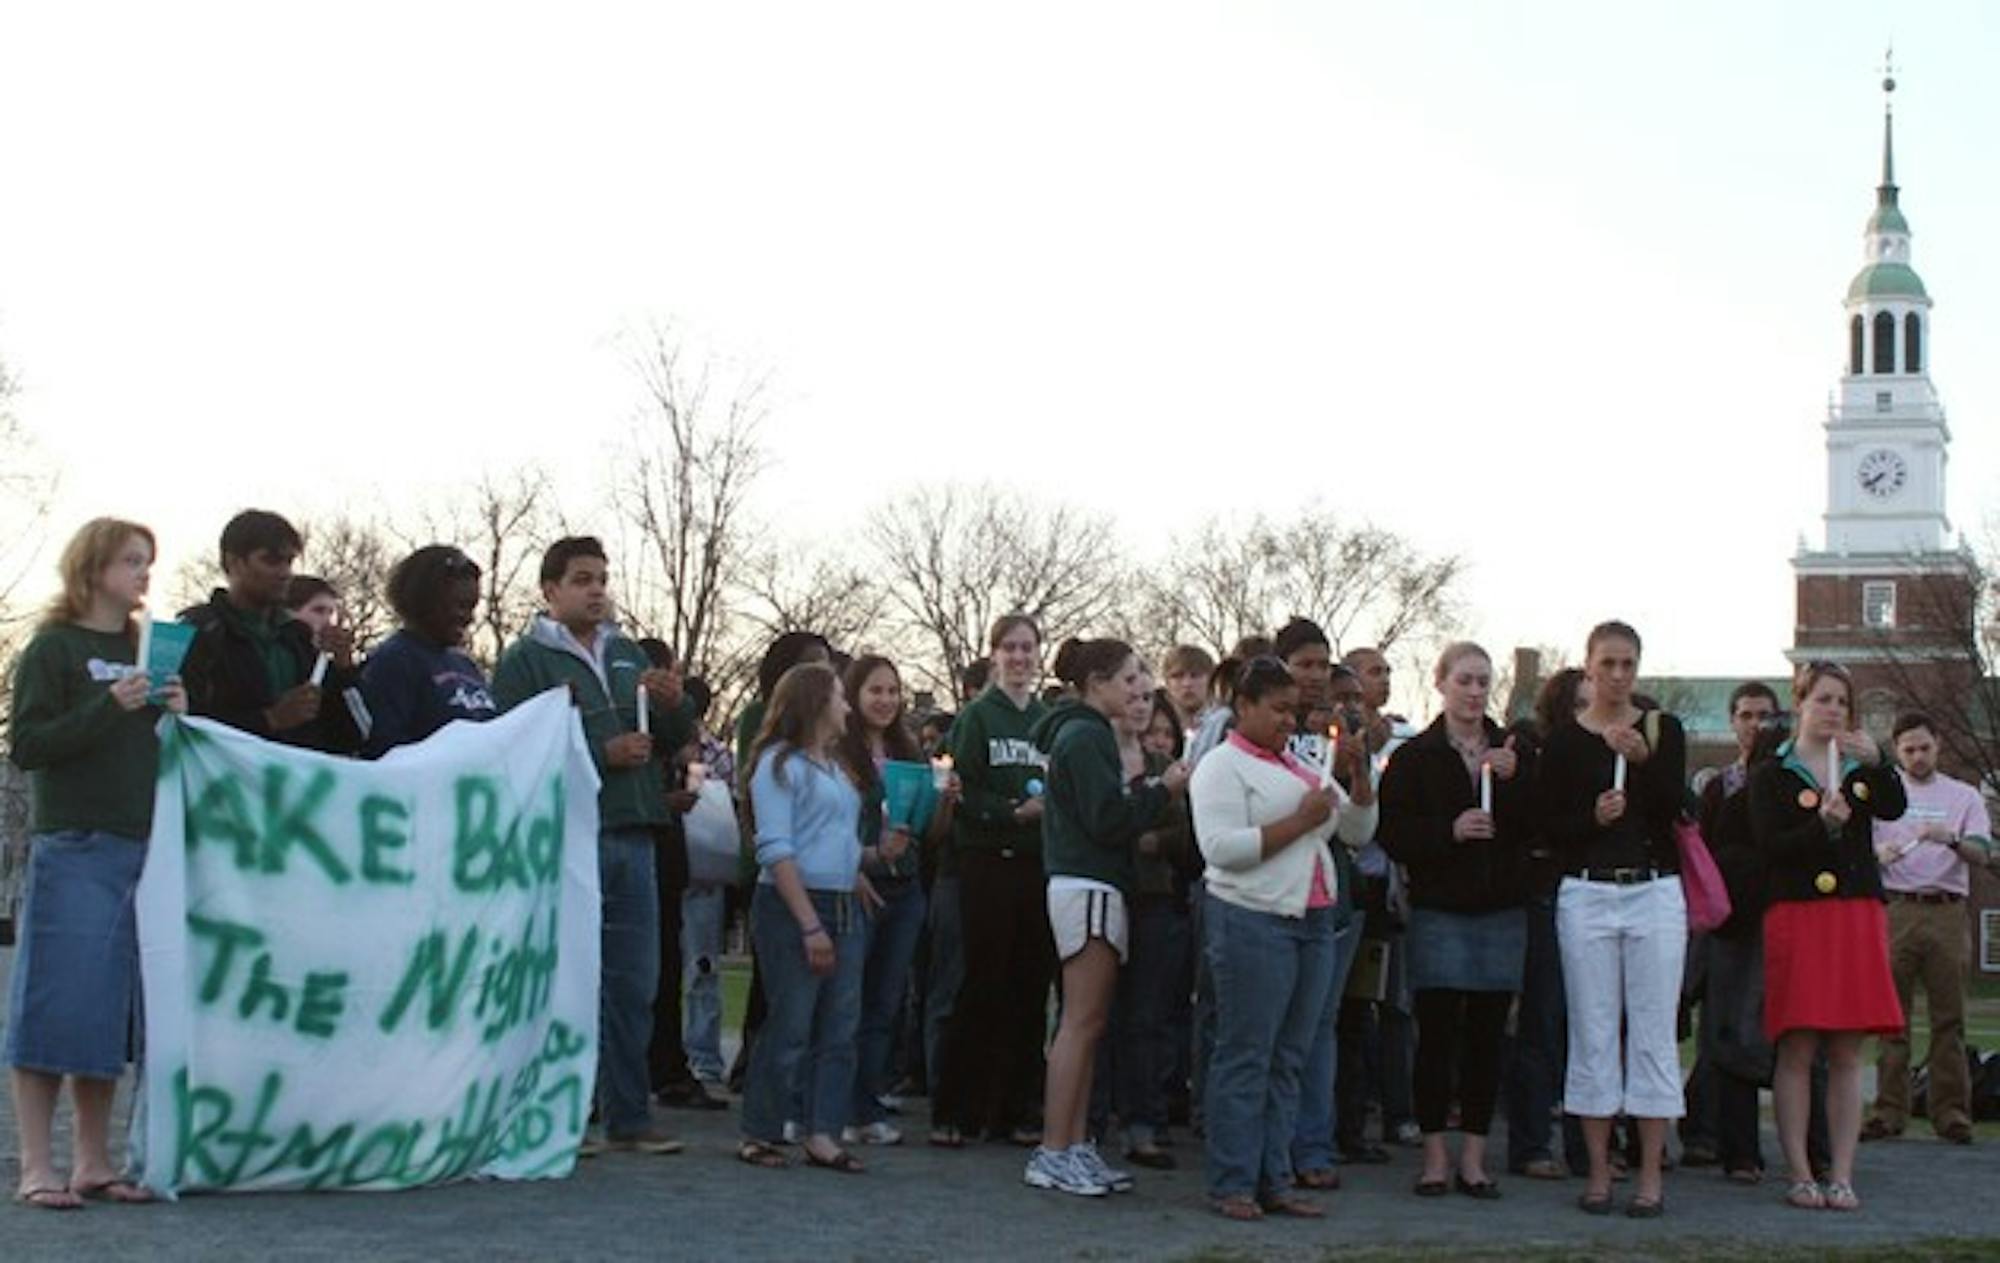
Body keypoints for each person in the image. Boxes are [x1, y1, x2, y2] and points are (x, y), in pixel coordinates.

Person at [492, 536, 693, 1157]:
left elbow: (677, 736)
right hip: (568, 833)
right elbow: (513, 745)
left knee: (635, 982)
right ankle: (561, 1114)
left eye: (603, 578)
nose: (597, 589)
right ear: (550, 590)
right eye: (582, 579)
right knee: (566, 977)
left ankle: (628, 1115)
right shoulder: (526, 660)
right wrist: (599, 753)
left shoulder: (629, 654)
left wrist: (674, 706)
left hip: (635, 831)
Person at [7, 518, 186, 1210]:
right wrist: (108, 705)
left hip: (142, 844)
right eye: (131, 560)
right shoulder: (55, 647)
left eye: (149, 560)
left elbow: (155, 747)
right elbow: (29, 743)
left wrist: (177, 713)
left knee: (109, 1011)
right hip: (75, 842)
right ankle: (34, 1163)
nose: (144, 572)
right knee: (55, 1001)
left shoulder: (143, 647)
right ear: (92, 567)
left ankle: (92, 1160)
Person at [1190, 657, 1359, 1221]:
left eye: (1296, 710)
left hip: (1312, 919)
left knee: (1288, 1056)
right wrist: (1301, 820)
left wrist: (1361, 783)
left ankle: (1275, 1178)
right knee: (1246, 1054)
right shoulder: (1221, 766)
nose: (1291, 720)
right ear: (1245, 707)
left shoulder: (1301, 764)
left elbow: (1357, 829)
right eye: (1279, 709)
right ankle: (1232, 1181)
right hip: (1250, 916)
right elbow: (1220, 848)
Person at [1536, 620, 1687, 1218]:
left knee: (1652, 1033)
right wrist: (1591, 818)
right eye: (1609, 665)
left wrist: (1645, 762)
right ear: (1589, 667)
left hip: (1653, 892)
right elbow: (1551, 829)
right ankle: (1598, 1171)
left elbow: (1675, 807)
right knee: (1593, 1032)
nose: (1619, 676)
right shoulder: (1567, 744)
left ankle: (1650, 1173)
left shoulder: (1662, 730)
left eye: (1629, 665)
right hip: (1588, 894)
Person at [1024, 640, 1185, 1197]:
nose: (1138, 688)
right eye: (1128, 678)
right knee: (1080, 1022)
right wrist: (1161, 791)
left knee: (1089, 1026)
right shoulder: (1086, 735)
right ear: (1096, 683)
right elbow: (1107, 819)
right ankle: (1054, 1148)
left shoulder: (1082, 735)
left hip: (1092, 883)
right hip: (1086, 882)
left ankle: (1073, 1144)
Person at [1748, 661, 1906, 1210]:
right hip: (1797, 915)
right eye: (1823, 699)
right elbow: (1769, 846)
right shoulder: (1773, 772)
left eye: (1842, 701)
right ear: (1801, 704)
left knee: (1846, 1050)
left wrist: (1880, 760)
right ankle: (1799, 1172)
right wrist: (1824, 828)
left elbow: (1894, 806)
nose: (1833, 709)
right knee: (1797, 1045)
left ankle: (1842, 1173)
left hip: (1854, 912)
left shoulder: (1862, 769)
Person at [1378, 642, 1530, 1200]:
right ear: (1440, 683)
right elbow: (1392, 831)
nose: (1473, 691)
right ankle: (1435, 1156)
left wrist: (1517, 780)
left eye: (1483, 682)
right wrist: (1449, 829)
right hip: (1441, 910)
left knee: (1490, 1037)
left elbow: (1538, 827)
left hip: (1500, 911)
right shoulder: (1416, 756)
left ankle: (1474, 1156)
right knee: (1437, 1034)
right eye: (1464, 680)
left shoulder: (1513, 751)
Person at [737, 662, 869, 1173]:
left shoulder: (836, 769)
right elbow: (776, 846)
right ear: (816, 703)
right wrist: (809, 923)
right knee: (791, 1019)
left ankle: (822, 1131)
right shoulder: (779, 765)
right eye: (840, 697)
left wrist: (862, 865)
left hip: (840, 899)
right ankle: (761, 1128)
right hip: (794, 904)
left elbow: (831, 836)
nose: (848, 707)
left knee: (840, 1023)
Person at [931, 614, 1051, 1149]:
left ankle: (1016, 1108)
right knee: (983, 982)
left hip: (1034, 866)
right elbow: (962, 793)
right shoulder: (978, 718)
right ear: (995, 654)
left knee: (1029, 988)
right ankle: (956, 1108)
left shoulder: (1048, 719)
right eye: (1010, 648)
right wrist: (1010, 812)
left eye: (1028, 648)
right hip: (986, 862)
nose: (1020, 658)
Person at [1703, 715, 1833, 1185]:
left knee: (1749, 1040)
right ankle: (1810, 1152)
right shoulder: (1754, 805)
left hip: (1753, 927)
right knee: (1794, 1042)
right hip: (1755, 928)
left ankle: (1745, 1154)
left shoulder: (1748, 803)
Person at [836, 655, 958, 1145]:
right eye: (875, 691)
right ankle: (831, 1103)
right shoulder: (840, 754)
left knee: (885, 1003)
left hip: (905, 886)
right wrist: (854, 868)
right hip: (859, 880)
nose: (885, 700)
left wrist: (945, 802)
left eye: (892, 691)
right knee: (847, 1000)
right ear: (854, 695)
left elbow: (928, 836)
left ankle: (867, 1106)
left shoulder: (909, 752)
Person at [1276, 620, 1377, 1193]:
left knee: (1317, 1027)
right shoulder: (1262, 726)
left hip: (1328, 890)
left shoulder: (1341, 733)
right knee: (1268, 1028)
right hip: (1267, 892)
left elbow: (1360, 830)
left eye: (1322, 666)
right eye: (1304, 665)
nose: (1314, 677)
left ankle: (1311, 1143)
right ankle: (1260, 1143)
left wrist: (1358, 774)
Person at [1863, 712, 1993, 1145]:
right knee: (1890, 1019)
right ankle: (1888, 1111)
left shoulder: (1964, 797)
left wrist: (1950, 838)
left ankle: (1952, 1112)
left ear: (1938, 745)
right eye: (1909, 750)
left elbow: (1981, 852)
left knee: (1949, 1018)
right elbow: (1862, 850)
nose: (1918, 756)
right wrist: (1879, 853)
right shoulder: (1884, 796)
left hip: (1946, 911)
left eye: (1925, 748)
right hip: (1897, 907)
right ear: (1897, 752)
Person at [1104, 687, 1197, 1169]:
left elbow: (1185, 836)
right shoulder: (1099, 761)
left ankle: (1145, 1122)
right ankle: (1092, 1117)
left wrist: (1154, 837)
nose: (1142, 714)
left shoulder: (1166, 772)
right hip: (1107, 894)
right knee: (1098, 1015)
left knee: (1148, 1016)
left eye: (1160, 720)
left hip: (1156, 899)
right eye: (1134, 700)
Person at [1503, 666, 1590, 1180]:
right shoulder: (1537, 755)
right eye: (1578, 704)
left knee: (1591, 1025)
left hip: (1596, 892)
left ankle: (1589, 1145)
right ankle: (1531, 1142)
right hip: (1547, 895)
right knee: (1541, 1019)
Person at [178, 509, 360, 754]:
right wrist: (269, 719)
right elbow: (183, 727)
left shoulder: (296, 636)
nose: (285, 573)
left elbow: (350, 736)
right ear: (233, 562)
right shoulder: (199, 632)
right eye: (271, 560)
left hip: (296, 783)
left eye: (289, 561)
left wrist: (344, 669)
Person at [356, 546, 495, 757]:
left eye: (472, 608)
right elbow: (384, 747)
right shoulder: (394, 661)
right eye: (460, 606)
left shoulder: (466, 666)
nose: (469, 618)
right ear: (425, 600)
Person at [675, 676, 736, 1097]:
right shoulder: (662, 748)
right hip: (672, 864)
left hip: (706, 870)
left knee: (703, 966)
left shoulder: (718, 756)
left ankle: (705, 1054)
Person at [1162, 644, 1216, 732]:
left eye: (1195, 675)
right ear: (1167, 682)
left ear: (1210, 680)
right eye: (1178, 676)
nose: (1187, 684)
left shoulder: (1225, 727)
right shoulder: (1150, 730)